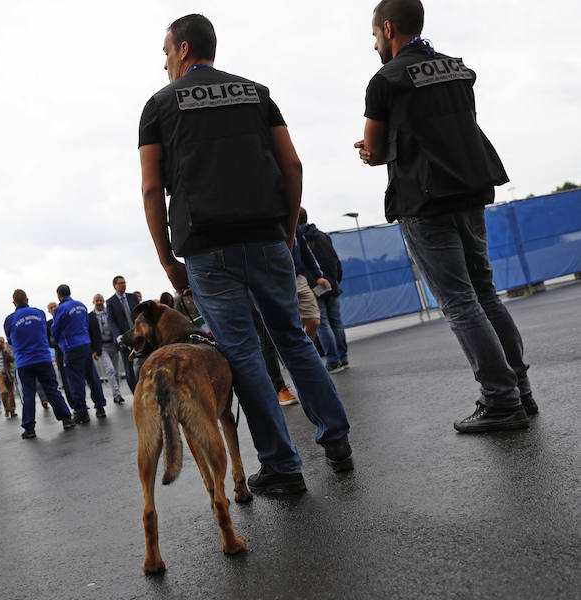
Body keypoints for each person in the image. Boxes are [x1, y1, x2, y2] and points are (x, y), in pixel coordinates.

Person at [138, 14, 353, 493]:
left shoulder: (158, 105)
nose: (166, 63)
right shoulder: (256, 93)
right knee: (293, 339)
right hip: (267, 238)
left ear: (185, 49)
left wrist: (165, 259)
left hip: (207, 249)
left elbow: (153, 190)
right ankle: (337, 439)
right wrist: (288, 228)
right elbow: (291, 163)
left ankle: (282, 465)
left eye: (167, 53)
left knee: (245, 354)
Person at [355, 0, 536, 432]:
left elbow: (375, 148)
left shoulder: (385, 79)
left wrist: (366, 152)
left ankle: (500, 400)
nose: (375, 42)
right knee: (486, 294)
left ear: (389, 27)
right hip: (470, 190)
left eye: (375, 34)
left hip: (425, 200)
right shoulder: (458, 69)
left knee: (459, 303)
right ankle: (521, 393)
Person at [4, 289, 76, 438]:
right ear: (27, 299)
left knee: (28, 394)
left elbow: (10, 340)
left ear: (14, 303)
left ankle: (29, 428)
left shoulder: (9, 319)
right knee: (52, 389)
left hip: (24, 362)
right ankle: (66, 419)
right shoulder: (39, 313)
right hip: (43, 358)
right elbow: (43, 331)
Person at [300, 207, 349, 372]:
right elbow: (336, 260)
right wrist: (335, 281)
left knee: (323, 324)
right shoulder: (323, 236)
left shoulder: (298, 239)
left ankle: (332, 361)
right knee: (337, 323)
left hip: (313, 287)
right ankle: (344, 358)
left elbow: (302, 264)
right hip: (331, 285)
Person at [52, 284, 108, 420]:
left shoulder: (61, 309)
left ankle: (82, 411)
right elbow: (86, 323)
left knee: (75, 380)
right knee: (92, 377)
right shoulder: (82, 305)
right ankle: (100, 407)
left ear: (59, 296)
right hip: (85, 344)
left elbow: (55, 329)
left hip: (71, 347)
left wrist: (57, 341)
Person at [106, 275, 140, 393]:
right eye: (121, 283)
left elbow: (139, 314)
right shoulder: (110, 302)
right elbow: (111, 321)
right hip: (124, 339)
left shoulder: (133, 297)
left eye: (124, 282)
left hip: (138, 336)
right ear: (115, 286)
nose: (123, 285)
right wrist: (118, 336)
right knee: (129, 369)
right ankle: (135, 393)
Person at [90, 293, 125, 404]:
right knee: (110, 370)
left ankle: (117, 392)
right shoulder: (90, 316)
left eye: (101, 300)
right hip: (102, 347)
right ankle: (117, 393)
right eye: (97, 301)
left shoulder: (110, 313)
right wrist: (93, 350)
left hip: (113, 345)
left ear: (103, 301)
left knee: (116, 371)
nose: (99, 302)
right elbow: (89, 333)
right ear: (93, 302)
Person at [46, 301, 71, 401]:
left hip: (70, 350)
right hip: (59, 353)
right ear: (49, 311)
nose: (54, 309)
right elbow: (48, 341)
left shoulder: (65, 319)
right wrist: (59, 344)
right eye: (51, 308)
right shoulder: (48, 324)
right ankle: (72, 403)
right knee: (65, 379)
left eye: (55, 307)